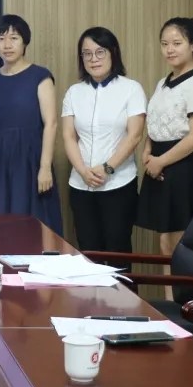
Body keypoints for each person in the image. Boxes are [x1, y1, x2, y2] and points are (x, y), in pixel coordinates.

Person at [61, 27, 146, 256]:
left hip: (119, 184)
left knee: (118, 251)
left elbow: (134, 136)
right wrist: (83, 171)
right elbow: (68, 136)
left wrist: (108, 168)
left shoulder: (131, 89)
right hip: (81, 184)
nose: (93, 59)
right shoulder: (74, 92)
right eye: (87, 54)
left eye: (100, 52)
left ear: (113, 53)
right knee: (88, 252)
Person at [136, 17, 193, 268]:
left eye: (177, 43)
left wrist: (160, 162)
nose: (170, 49)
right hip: (158, 163)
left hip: (181, 167)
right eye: (164, 43)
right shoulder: (163, 82)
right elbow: (155, 122)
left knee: (179, 245)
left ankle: (183, 294)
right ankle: (169, 293)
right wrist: (147, 152)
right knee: (165, 243)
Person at [0, 14, 62, 233]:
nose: (7, 45)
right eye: (1, 39)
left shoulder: (40, 76)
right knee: (0, 225)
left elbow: (51, 123)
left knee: (34, 225)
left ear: (25, 42)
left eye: (14, 38)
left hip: (30, 160)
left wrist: (44, 167)